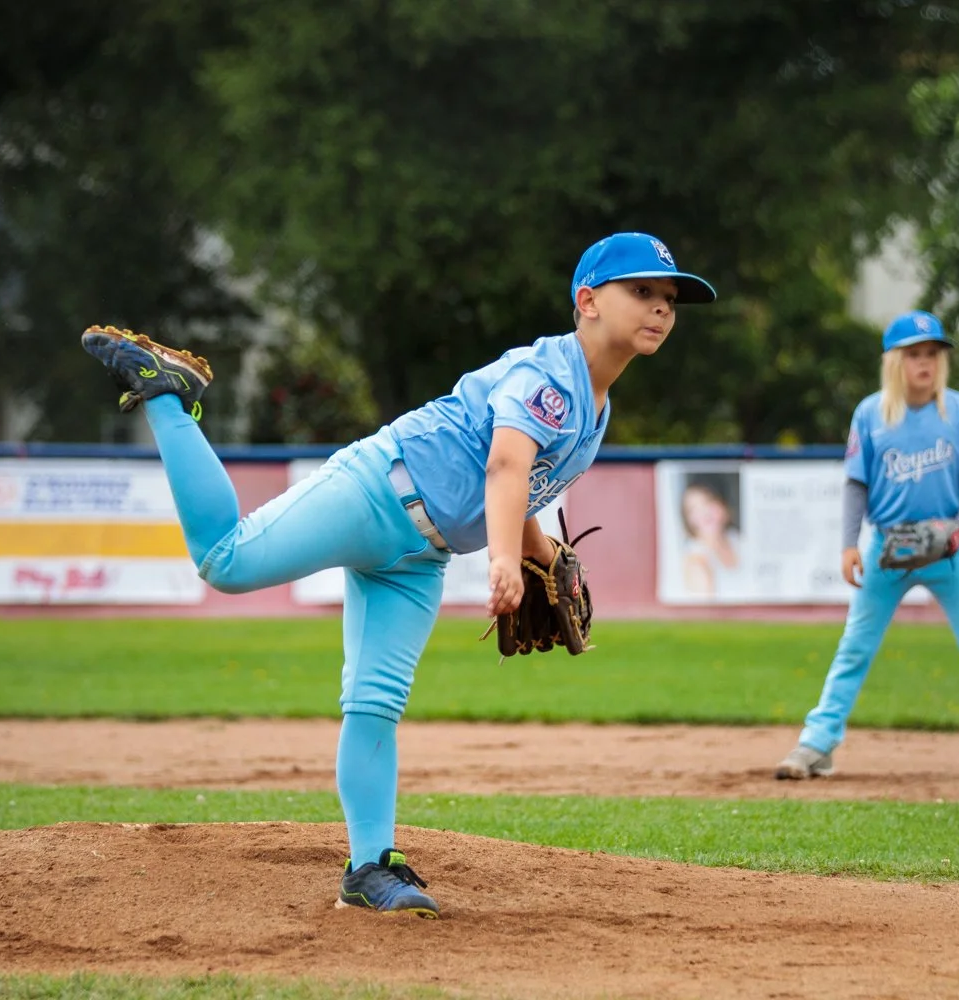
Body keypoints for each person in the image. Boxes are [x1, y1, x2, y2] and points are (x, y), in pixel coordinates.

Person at [81, 232, 716, 917]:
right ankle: (169, 395)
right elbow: (505, 464)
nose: (660, 309)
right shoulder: (549, 375)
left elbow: (522, 486)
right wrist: (505, 559)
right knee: (226, 562)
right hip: (378, 492)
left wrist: (539, 552)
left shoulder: (596, 405)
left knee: (375, 705)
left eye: (670, 299)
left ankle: (368, 868)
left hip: (420, 558)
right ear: (587, 301)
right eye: (643, 291)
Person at [774, 310, 959, 783]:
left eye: (932, 354)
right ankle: (817, 745)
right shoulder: (872, 413)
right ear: (895, 362)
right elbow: (856, 485)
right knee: (854, 647)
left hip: (948, 551)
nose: (925, 363)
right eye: (915, 354)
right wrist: (848, 545)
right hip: (888, 550)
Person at [680, 480, 746, 599]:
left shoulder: (737, 540)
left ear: (723, 504)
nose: (704, 513)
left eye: (708, 502)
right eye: (693, 509)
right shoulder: (696, 561)